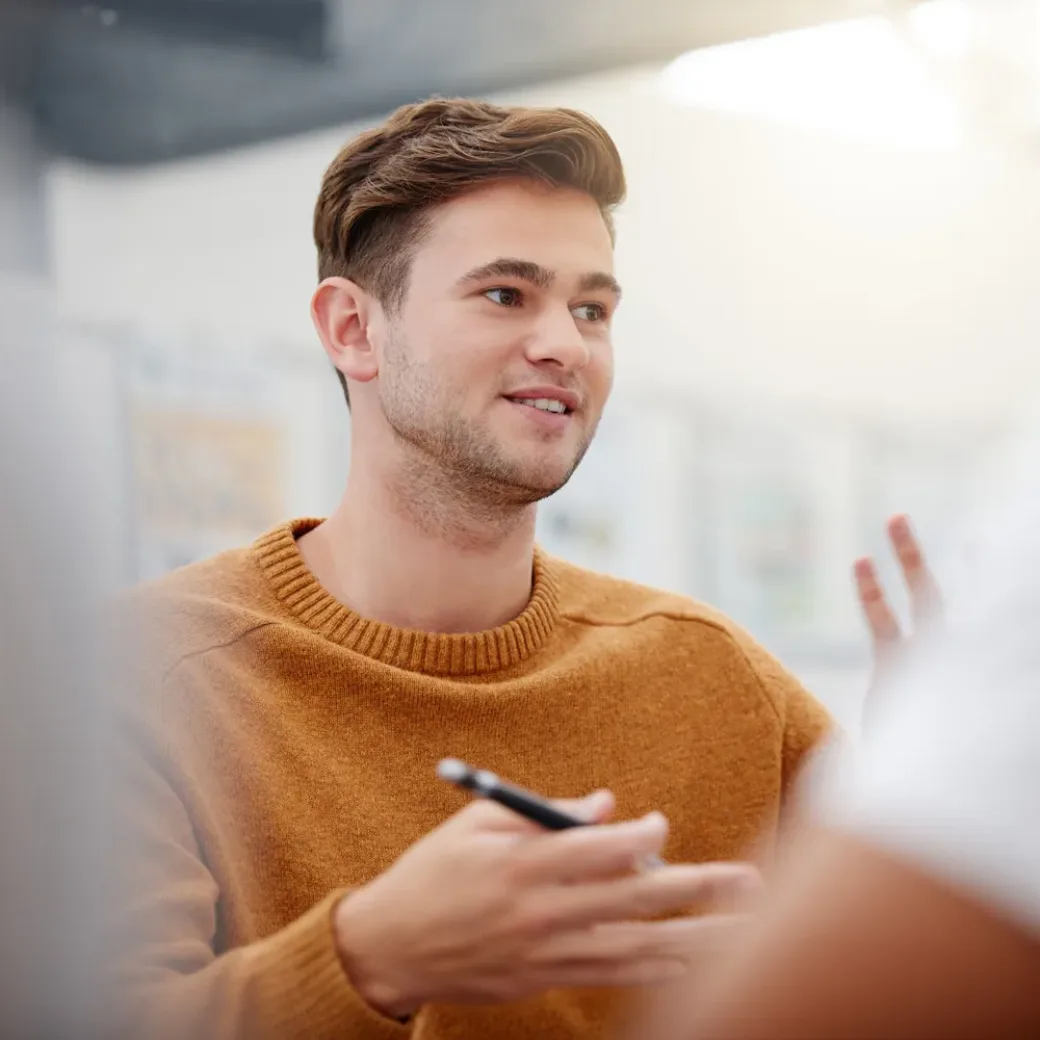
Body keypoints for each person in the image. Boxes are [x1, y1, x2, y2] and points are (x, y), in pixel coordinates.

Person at [109, 97, 923, 1040]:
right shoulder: (132, 676)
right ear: (351, 329)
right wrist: (370, 959)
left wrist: (945, 804)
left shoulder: (722, 682)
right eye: (506, 294)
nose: (565, 345)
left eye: (592, 308)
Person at [632, 416, 1040, 1039]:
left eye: (592, 313)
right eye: (503, 307)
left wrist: (923, 755)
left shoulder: (723, 668)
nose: (566, 347)